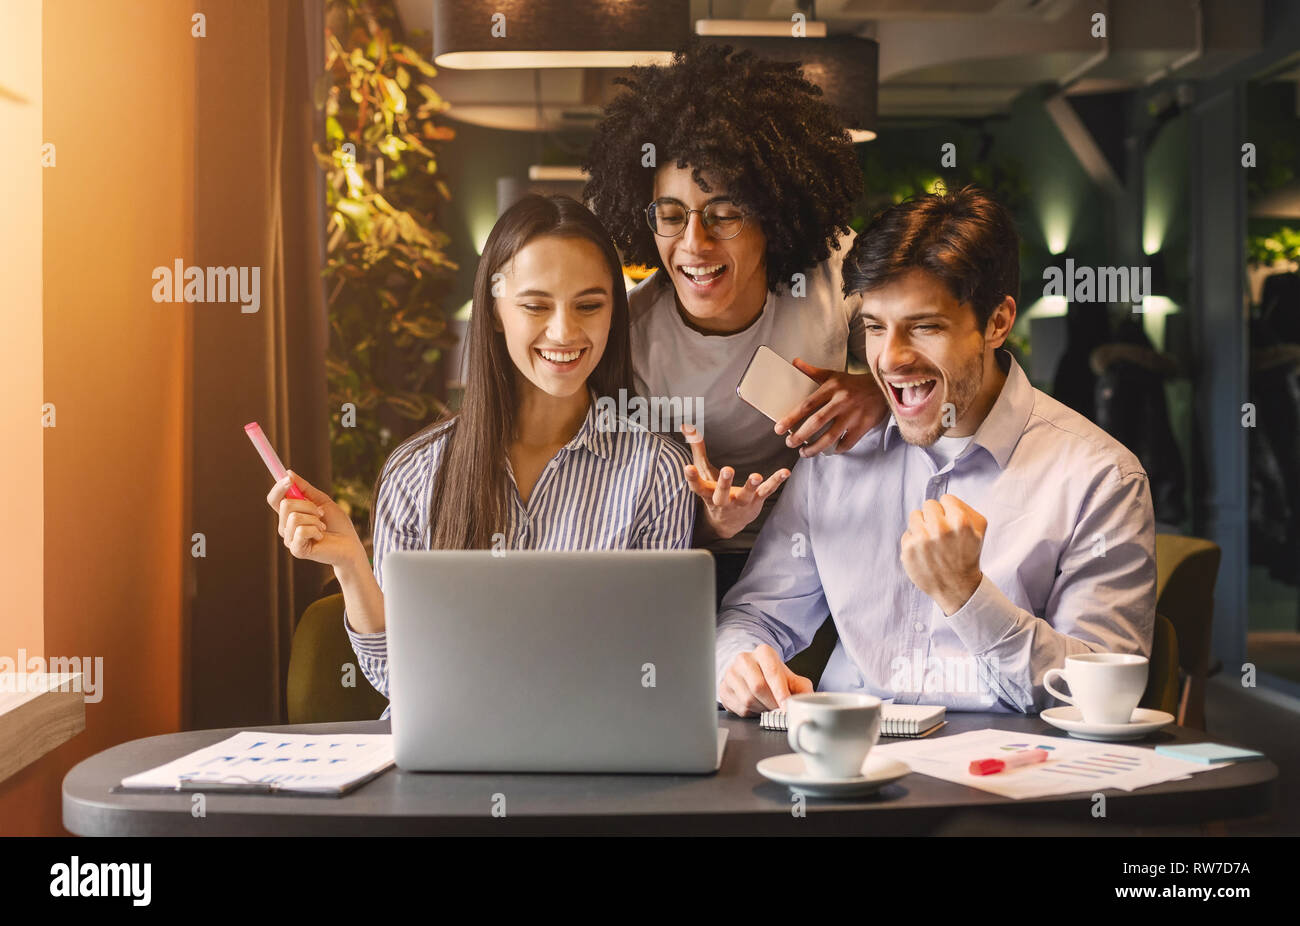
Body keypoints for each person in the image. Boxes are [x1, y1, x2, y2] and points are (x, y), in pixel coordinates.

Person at [714, 186, 1157, 716]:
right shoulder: (836, 458)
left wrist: (966, 595)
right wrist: (736, 664)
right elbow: (756, 616)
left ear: (997, 322)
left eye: (924, 327)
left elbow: (1100, 697)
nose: (891, 359)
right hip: (847, 770)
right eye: (876, 327)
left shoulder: (1100, 478)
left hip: (1009, 782)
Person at [266, 195, 695, 718]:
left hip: (588, 750)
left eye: (589, 305)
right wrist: (351, 563)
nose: (564, 332)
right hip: (443, 764)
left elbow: (650, 667)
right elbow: (397, 680)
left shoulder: (658, 473)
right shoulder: (416, 472)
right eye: (535, 305)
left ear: (614, 312)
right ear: (494, 312)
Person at [583, 43, 888, 602]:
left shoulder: (837, 276)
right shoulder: (624, 337)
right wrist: (709, 523)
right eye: (671, 216)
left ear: (772, 217)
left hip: (829, 552)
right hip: (686, 560)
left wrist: (879, 391)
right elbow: (616, 519)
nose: (694, 244)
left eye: (724, 213)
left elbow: (940, 370)